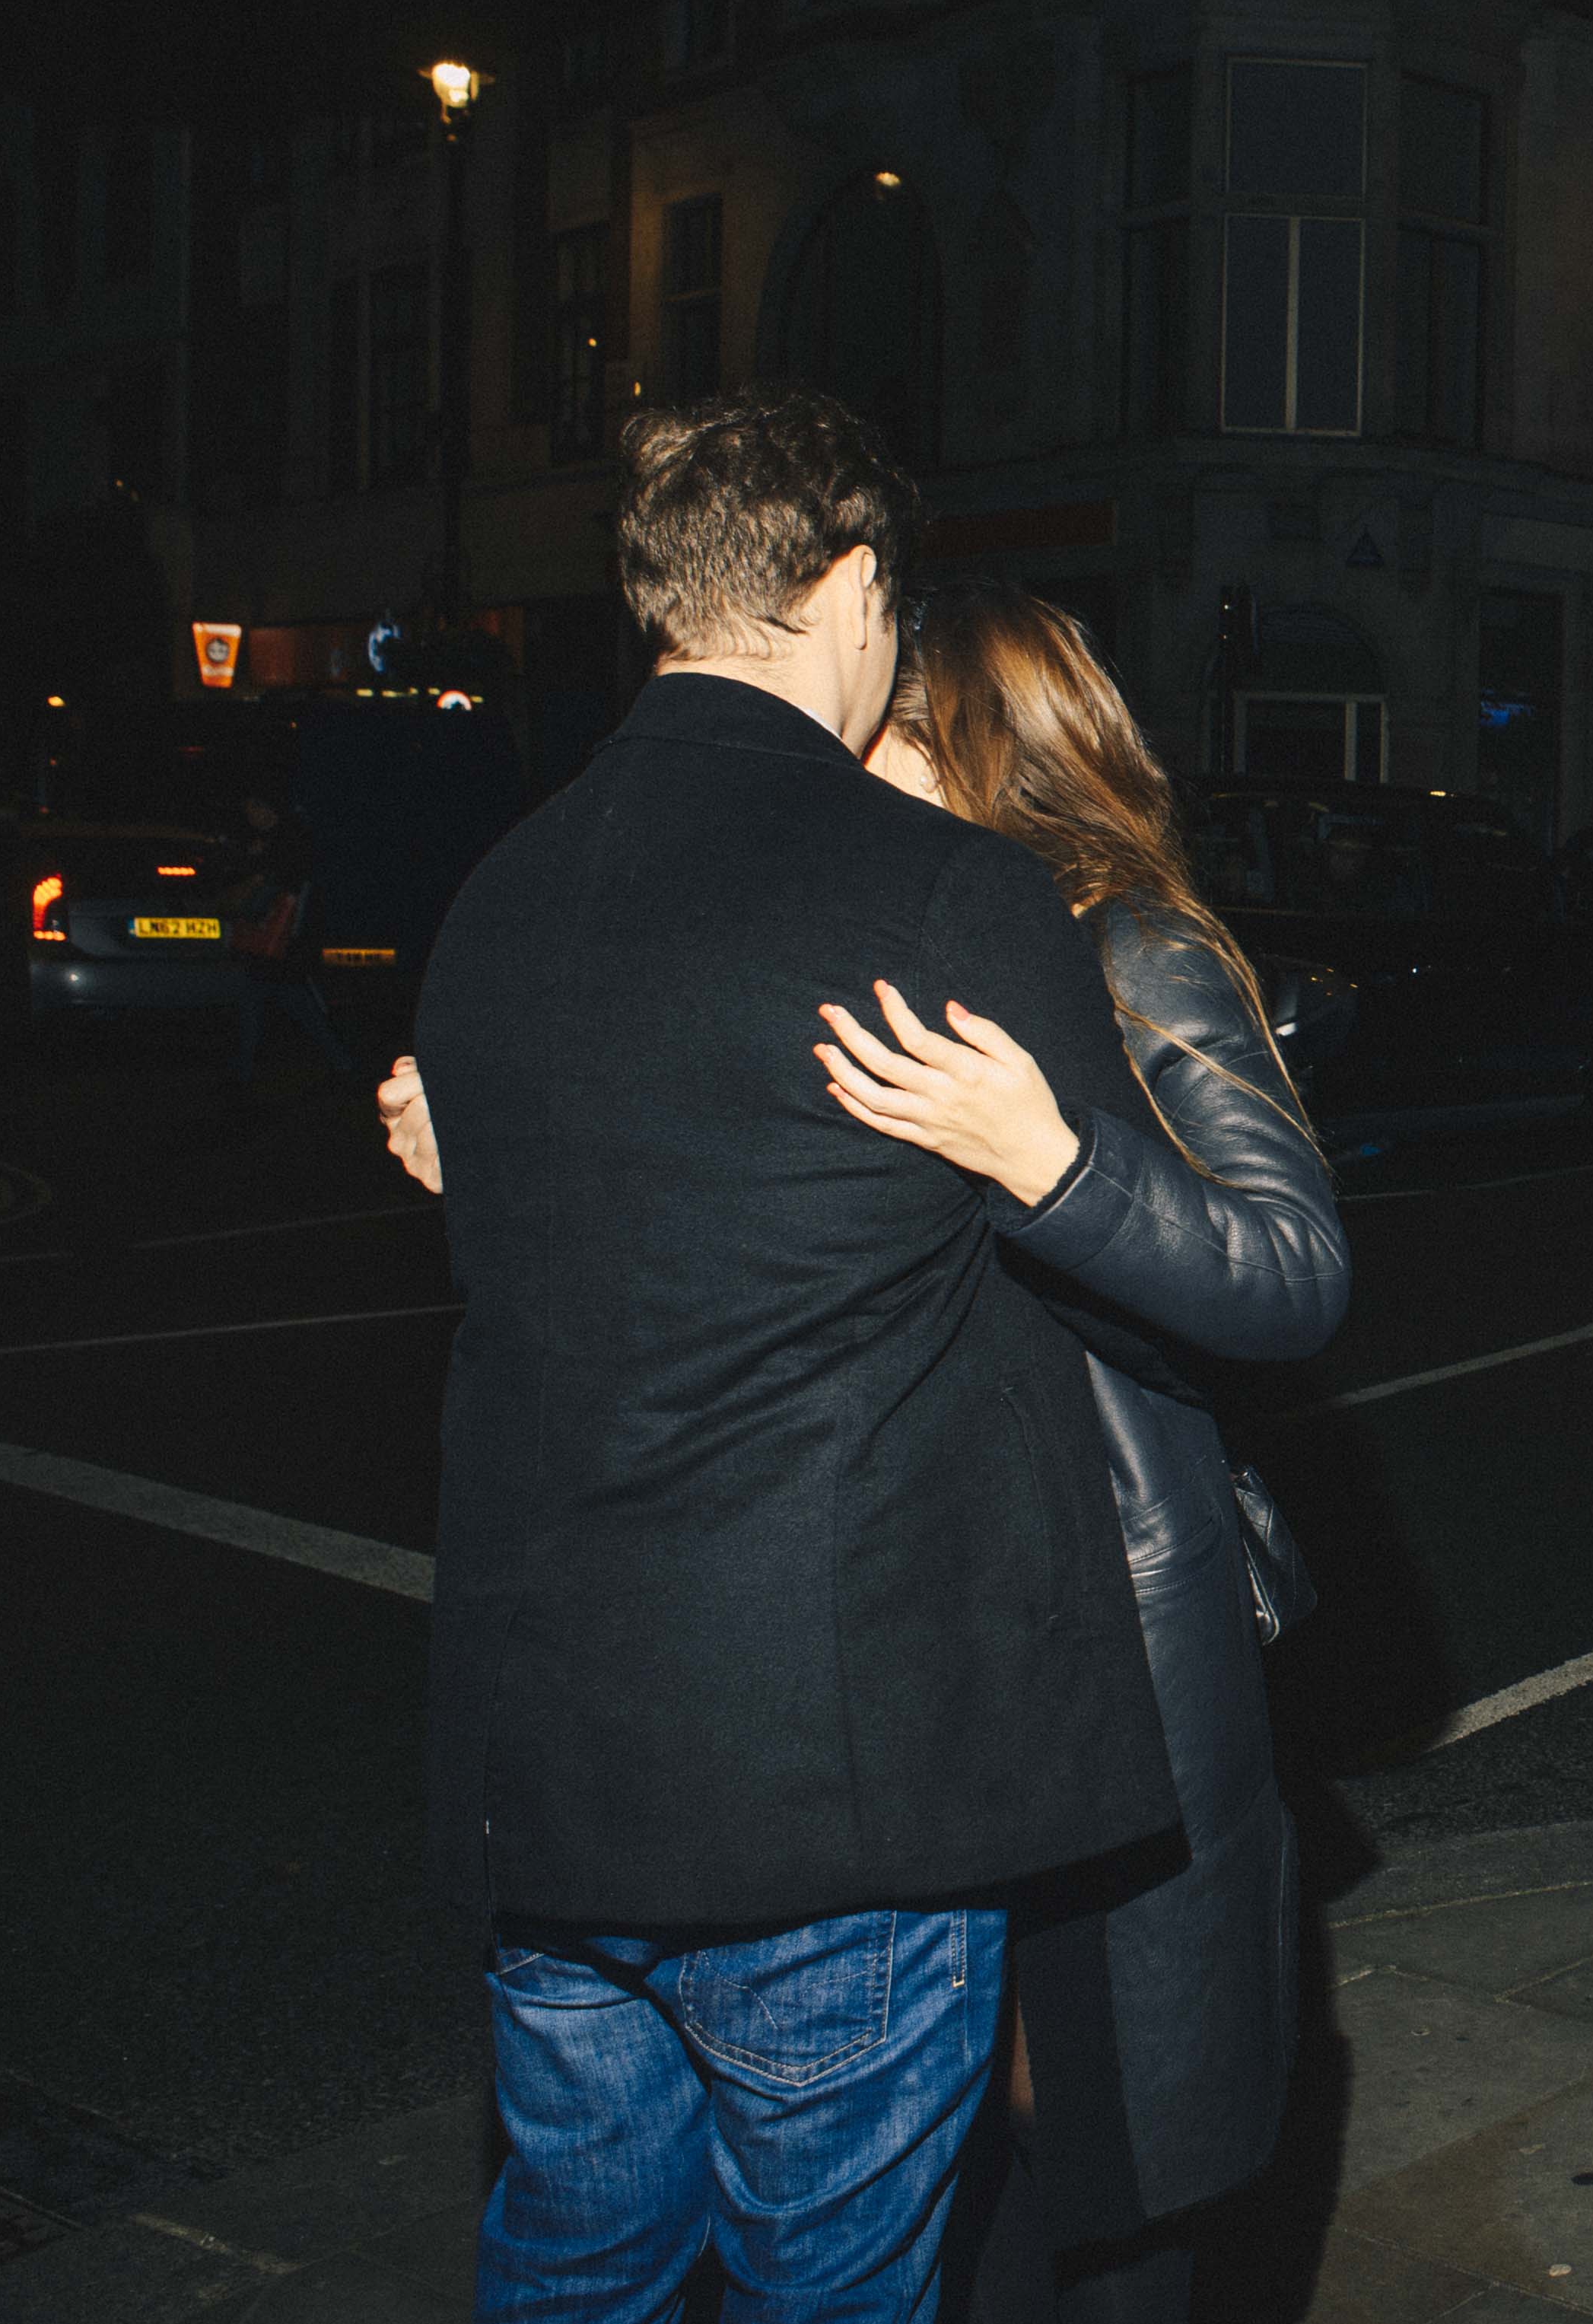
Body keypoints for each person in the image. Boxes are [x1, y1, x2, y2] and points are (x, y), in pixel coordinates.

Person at [384, 565, 1351, 2324]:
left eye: (889, 728)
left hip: (1093, 1650)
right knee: (936, 2211)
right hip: (916, 1663)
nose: (836, 753)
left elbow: (1288, 1275)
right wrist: (488, 1124)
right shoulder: (864, 931)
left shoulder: (1130, 952)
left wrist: (1048, 1157)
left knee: (1105, 2195)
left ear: (985, 750)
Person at [225, 790, 361, 1101]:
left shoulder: (286, 841)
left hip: (280, 940)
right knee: (275, 1001)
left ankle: (343, 1064)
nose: (253, 817)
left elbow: (280, 891)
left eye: (256, 808)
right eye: (248, 811)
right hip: (280, 943)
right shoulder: (281, 838)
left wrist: (252, 882)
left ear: (270, 807)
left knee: (271, 1000)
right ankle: (343, 1064)